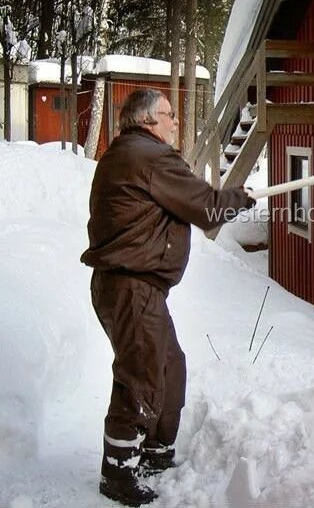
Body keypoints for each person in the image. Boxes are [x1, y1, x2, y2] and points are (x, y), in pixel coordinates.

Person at [81, 88, 254, 506]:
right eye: (169, 114)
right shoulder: (151, 156)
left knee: (168, 367)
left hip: (132, 288)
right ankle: (118, 473)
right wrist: (240, 198)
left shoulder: (128, 153)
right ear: (146, 120)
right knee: (141, 376)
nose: (176, 121)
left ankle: (156, 451)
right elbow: (206, 207)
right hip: (132, 287)